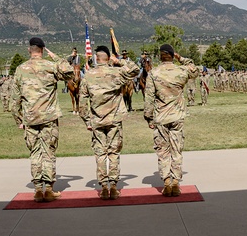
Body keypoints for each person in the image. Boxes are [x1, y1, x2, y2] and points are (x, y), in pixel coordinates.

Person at [9, 37, 74, 202]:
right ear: (43, 50)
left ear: (29, 50)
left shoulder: (20, 69)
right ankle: (49, 190)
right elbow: (69, 73)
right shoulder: (51, 67)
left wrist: (19, 120)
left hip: (30, 119)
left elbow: (14, 100)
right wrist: (57, 58)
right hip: (48, 117)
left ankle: (38, 189)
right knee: (49, 153)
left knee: (35, 153)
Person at [79, 45, 140, 200]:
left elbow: (82, 101)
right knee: (113, 153)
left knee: (100, 154)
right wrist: (119, 61)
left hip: (97, 120)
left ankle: (104, 186)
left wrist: (87, 120)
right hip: (114, 119)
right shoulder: (116, 73)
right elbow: (135, 70)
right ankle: (113, 185)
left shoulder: (88, 75)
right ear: (108, 58)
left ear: (96, 58)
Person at [144, 44, 199, 197]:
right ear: (172, 55)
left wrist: (148, 117)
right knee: (176, 150)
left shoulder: (154, 73)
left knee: (163, 151)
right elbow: (194, 70)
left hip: (161, 117)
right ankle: (175, 182)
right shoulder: (181, 70)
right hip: (177, 116)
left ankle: (167, 182)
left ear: (160, 56)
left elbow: (148, 97)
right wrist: (181, 58)